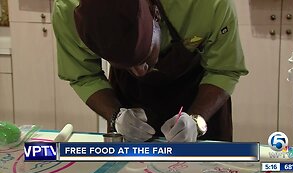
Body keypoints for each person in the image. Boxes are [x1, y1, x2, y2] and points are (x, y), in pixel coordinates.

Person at [52, 0, 248, 142]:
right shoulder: (68, 10)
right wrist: (116, 116)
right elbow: (84, 75)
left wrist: (196, 121)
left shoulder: (206, 4)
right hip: (129, 98)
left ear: (156, 14)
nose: (139, 73)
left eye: (145, 59)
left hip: (199, 91)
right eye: (125, 64)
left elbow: (223, 69)